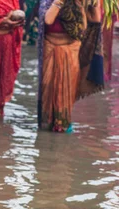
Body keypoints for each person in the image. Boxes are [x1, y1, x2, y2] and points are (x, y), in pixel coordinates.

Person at [38, 0, 87, 132]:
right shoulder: (47, 2)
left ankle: (62, 126)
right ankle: (46, 126)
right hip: (50, 48)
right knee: (47, 86)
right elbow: (48, 20)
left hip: (70, 49)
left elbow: (83, 28)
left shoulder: (78, 3)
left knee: (66, 90)